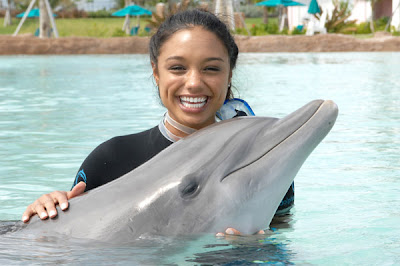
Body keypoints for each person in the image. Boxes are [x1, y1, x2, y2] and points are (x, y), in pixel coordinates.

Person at [21, 9, 293, 236]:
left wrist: (255, 252)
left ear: (229, 74)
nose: (194, 83)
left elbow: (283, 238)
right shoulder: (112, 159)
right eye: (177, 68)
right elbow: (72, 244)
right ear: (156, 73)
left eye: (211, 68)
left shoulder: (262, 159)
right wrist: (44, 214)